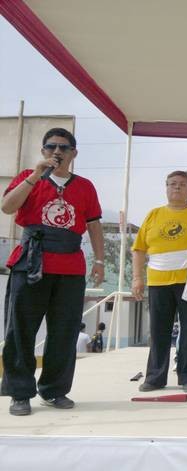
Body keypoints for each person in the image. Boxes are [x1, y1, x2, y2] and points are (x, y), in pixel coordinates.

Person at [1, 127, 104, 416]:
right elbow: (7, 207)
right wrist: (36, 176)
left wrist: (98, 261)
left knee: (64, 332)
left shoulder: (85, 186)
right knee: (21, 330)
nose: (57, 152)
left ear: (74, 153)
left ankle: (54, 390)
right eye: (51, 147)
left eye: (64, 147)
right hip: (31, 261)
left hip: (70, 265)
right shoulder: (27, 176)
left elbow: (94, 225)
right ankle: (20, 392)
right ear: (44, 150)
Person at [132, 171, 187, 394]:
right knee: (158, 329)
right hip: (159, 279)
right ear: (166, 188)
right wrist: (137, 278)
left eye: (182, 185)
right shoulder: (154, 214)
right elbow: (139, 249)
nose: (177, 188)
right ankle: (155, 377)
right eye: (172, 184)